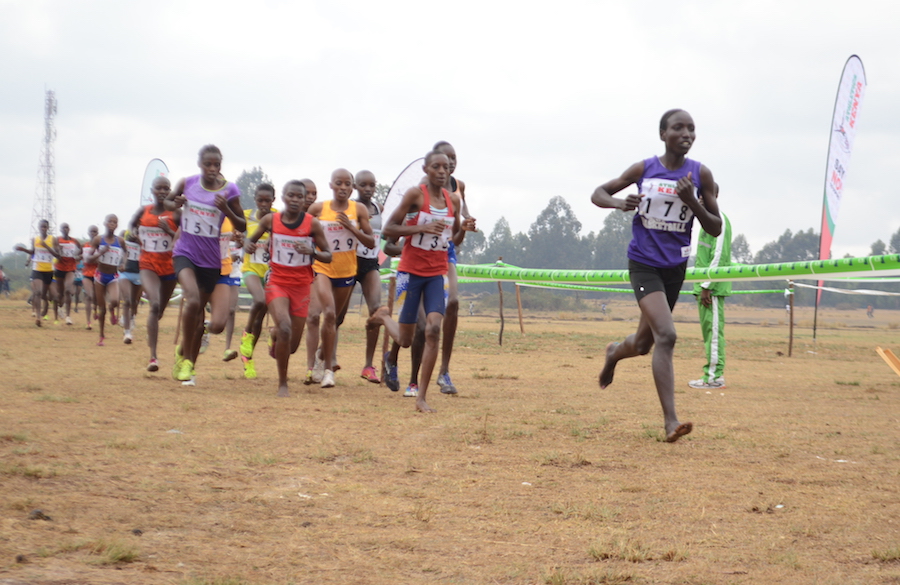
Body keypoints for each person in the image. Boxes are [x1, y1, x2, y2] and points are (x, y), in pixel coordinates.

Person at [591, 109, 721, 443]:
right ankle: (670, 422)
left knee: (642, 344)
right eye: (678, 128)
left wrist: (692, 201)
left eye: (691, 128)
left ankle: (614, 353)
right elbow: (598, 193)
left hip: (674, 268)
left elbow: (715, 227)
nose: (686, 133)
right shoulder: (644, 169)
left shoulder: (701, 175)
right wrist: (620, 204)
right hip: (644, 264)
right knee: (667, 334)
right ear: (663, 134)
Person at [368, 150, 462, 413]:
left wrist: (464, 228)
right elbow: (388, 231)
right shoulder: (415, 196)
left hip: (436, 273)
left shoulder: (453, 200)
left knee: (433, 330)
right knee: (406, 339)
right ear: (426, 169)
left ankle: (421, 397)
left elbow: (454, 238)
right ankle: (383, 317)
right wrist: (420, 228)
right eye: (436, 167)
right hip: (410, 273)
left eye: (446, 167)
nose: (442, 171)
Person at [165, 144, 246, 386]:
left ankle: (186, 356)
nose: (212, 168)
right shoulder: (187, 183)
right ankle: (186, 362)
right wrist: (175, 202)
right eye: (208, 164)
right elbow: (168, 203)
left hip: (212, 262)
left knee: (204, 320)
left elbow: (242, 225)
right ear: (200, 164)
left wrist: (226, 209)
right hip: (186, 253)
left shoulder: (230, 190)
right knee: (193, 300)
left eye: (216, 164)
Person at [246, 180, 332, 396]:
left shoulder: (312, 224)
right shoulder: (271, 220)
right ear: (283, 197)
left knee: (291, 345)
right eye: (291, 195)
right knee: (285, 327)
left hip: (301, 286)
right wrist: (248, 245)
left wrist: (312, 252)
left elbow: (328, 255)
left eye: (299, 197)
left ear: (304, 201)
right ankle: (283, 384)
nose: (295, 200)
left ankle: (274, 334)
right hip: (277, 282)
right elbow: (249, 241)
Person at [304, 169, 374, 388]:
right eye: (338, 183)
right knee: (328, 313)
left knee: (335, 320)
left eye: (347, 184)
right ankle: (324, 371)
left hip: (347, 271)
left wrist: (351, 228)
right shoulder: (318, 209)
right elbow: (301, 230)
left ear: (352, 187)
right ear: (331, 185)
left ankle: (320, 359)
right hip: (323, 268)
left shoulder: (358, 209)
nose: (343, 187)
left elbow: (371, 242)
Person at [129, 176, 179, 371]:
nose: (163, 192)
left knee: (159, 311)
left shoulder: (176, 214)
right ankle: (153, 357)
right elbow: (132, 225)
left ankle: (151, 328)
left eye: (166, 188)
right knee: (154, 305)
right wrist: (133, 233)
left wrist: (169, 231)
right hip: (148, 264)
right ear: (152, 191)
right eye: (159, 188)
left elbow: (185, 237)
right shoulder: (144, 211)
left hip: (170, 267)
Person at [688, 183, 731, 390]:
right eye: (699, 195)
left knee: (713, 334)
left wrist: (707, 285)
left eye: (705, 195)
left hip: (711, 290)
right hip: (703, 288)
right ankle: (711, 375)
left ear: (715, 196)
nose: (701, 199)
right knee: (708, 334)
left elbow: (718, 256)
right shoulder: (704, 224)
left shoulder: (719, 221)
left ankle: (714, 377)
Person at [238, 183, 278, 379]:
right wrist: (244, 242)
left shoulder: (278, 217)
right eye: (260, 200)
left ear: (273, 201)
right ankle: (246, 334)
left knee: (260, 319)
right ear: (255, 199)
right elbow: (239, 236)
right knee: (260, 300)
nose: (263, 204)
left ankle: (248, 358)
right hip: (251, 269)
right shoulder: (246, 216)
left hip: (272, 272)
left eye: (267, 201)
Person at [350, 170, 384, 383]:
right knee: (338, 315)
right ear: (355, 187)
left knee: (376, 310)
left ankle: (368, 365)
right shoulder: (350, 206)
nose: (368, 189)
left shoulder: (379, 208)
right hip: (349, 262)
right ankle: (324, 357)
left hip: (370, 263)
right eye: (363, 185)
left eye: (372, 185)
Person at [86, 215, 125, 346]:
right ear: (105, 223)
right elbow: (88, 259)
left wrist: (123, 263)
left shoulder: (120, 241)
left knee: (115, 300)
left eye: (115, 222)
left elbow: (126, 253)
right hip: (100, 276)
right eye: (110, 221)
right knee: (101, 309)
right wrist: (100, 253)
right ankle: (101, 335)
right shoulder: (98, 239)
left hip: (113, 276)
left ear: (117, 225)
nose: (112, 224)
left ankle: (112, 309)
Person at [15, 219, 58, 327]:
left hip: (49, 270)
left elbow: (57, 255)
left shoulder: (52, 239)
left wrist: (46, 246)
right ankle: (38, 317)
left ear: (48, 228)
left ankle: (46, 308)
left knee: (44, 294)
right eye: (41, 226)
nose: (43, 228)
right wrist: (23, 250)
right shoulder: (35, 239)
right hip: (37, 269)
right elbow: (33, 252)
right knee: (38, 292)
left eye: (45, 226)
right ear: (38, 228)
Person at [218, 217, 244, 362]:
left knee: (231, 310)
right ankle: (206, 329)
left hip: (234, 275)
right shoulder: (220, 230)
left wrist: (242, 241)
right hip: (218, 274)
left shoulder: (239, 235)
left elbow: (245, 251)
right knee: (217, 315)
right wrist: (229, 257)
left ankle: (227, 347)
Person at [119, 230, 143, 344]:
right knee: (127, 300)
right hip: (125, 274)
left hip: (139, 274)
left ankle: (132, 316)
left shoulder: (146, 241)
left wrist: (141, 242)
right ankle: (127, 332)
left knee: (134, 302)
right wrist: (120, 264)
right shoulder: (125, 239)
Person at [54, 223, 81, 325]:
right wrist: (59, 250)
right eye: (63, 228)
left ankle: (68, 316)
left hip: (70, 268)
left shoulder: (74, 241)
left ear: (69, 229)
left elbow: (81, 250)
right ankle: (60, 306)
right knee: (60, 293)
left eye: (67, 228)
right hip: (59, 268)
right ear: (60, 230)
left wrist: (77, 256)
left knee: (68, 290)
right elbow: (55, 252)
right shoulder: (57, 240)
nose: (65, 229)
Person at [81, 225, 99, 330]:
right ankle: (88, 322)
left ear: (97, 233)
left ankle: (95, 309)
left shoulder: (100, 246)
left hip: (98, 274)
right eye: (91, 231)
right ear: (88, 233)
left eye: (95, 231)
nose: (93, 233)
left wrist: (93, 259)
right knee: (89, 296)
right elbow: (78, 256)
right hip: (86, 274)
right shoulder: (84, 246)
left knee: (96, 297)